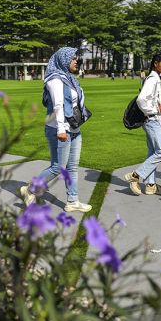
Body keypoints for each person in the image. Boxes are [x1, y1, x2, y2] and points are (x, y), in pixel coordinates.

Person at [20, 47, 92, 213]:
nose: (76, 61)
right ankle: (30, 189)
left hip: (73, 128)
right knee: (58, 167)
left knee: (72, 167)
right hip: (58, 129)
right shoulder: (55, 79)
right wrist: (61, 129)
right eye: (73, 58)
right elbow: (58, 105)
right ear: (63, 60)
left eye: (76, 58)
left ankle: (73, 201)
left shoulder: (69, 78)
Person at [125, 53, 161, 196]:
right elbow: (141, 100)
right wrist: (156, 109)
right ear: (156, 63)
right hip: (151, 119)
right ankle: (136, 175)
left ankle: (151, 185)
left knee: (152, 152)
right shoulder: (152, 78)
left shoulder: (155, 77)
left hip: (151, 119)